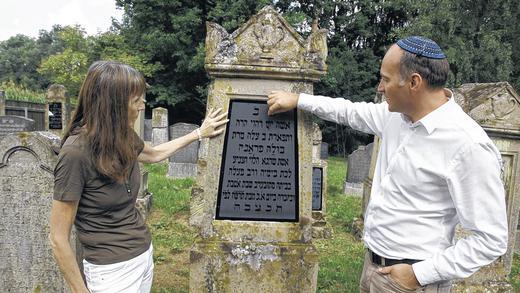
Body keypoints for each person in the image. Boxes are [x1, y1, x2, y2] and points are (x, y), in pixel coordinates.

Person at [267, 36, 508, 292]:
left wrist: (418, 274)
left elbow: (490, 239)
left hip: (412, 282)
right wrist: (298, 100)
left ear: (414, 82)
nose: (380, 88)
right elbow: (349, 111)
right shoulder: (396, 117)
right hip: (374, 266)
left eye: (386, 79)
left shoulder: (468, 145)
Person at [49, 60, 228, 293]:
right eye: (136, 100)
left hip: (142, 256)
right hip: (111, 272)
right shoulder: (75, 154)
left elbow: (154, 154)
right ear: (112, 105)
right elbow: (58, 239)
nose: (142, 105)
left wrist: (198, 133)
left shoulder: (120, 136)